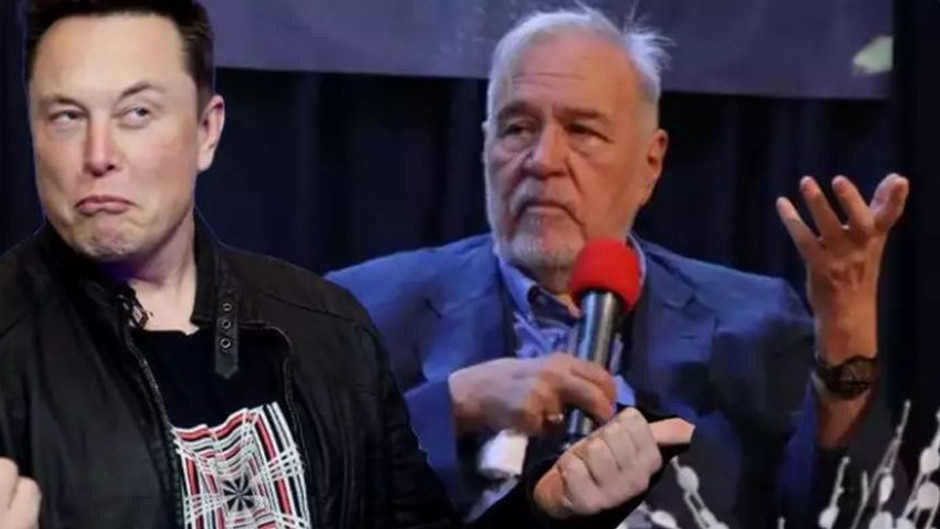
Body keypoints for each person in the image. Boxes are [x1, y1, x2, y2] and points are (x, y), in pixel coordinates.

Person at [0, 1, 695, 528]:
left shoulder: (325, 328)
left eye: (136, 113)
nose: (98, 154)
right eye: (65, 116)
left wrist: (547, 512)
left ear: (206, 131)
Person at [327, 7, 910, 528]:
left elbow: (859, 515)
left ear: (649, 164)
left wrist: (848, 330)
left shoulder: (756, 324)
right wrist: (454, 405)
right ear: (485, 148)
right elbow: (304, 482)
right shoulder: (362, 312)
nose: (543, 160)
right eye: (517, 128)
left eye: (581, 131)